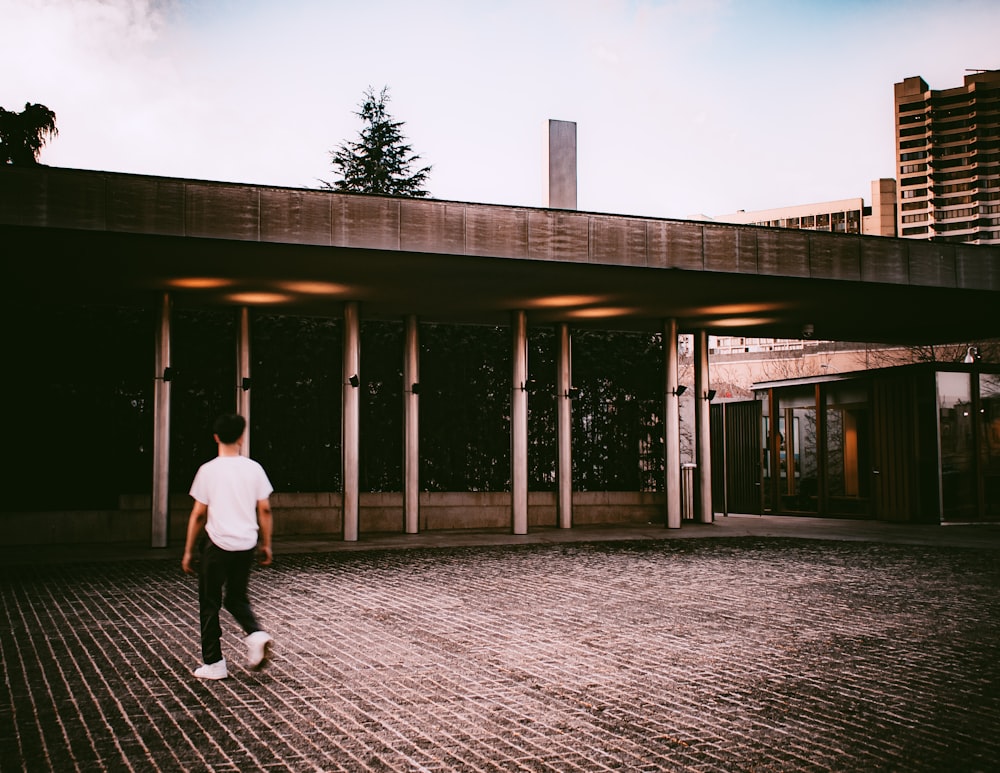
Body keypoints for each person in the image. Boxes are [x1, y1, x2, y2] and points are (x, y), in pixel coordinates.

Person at [182, 413, 274, 680]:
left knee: (210, 602)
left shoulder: (208, 470)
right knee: (236, 597)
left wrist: (188, 550)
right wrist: (266, 544)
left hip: (216, 544)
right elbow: (265, 510)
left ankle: (214, 663)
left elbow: (199, 514)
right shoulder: (254, 468)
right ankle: (256, 634)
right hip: (246, 544)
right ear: (242, 437)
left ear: (216, 438)